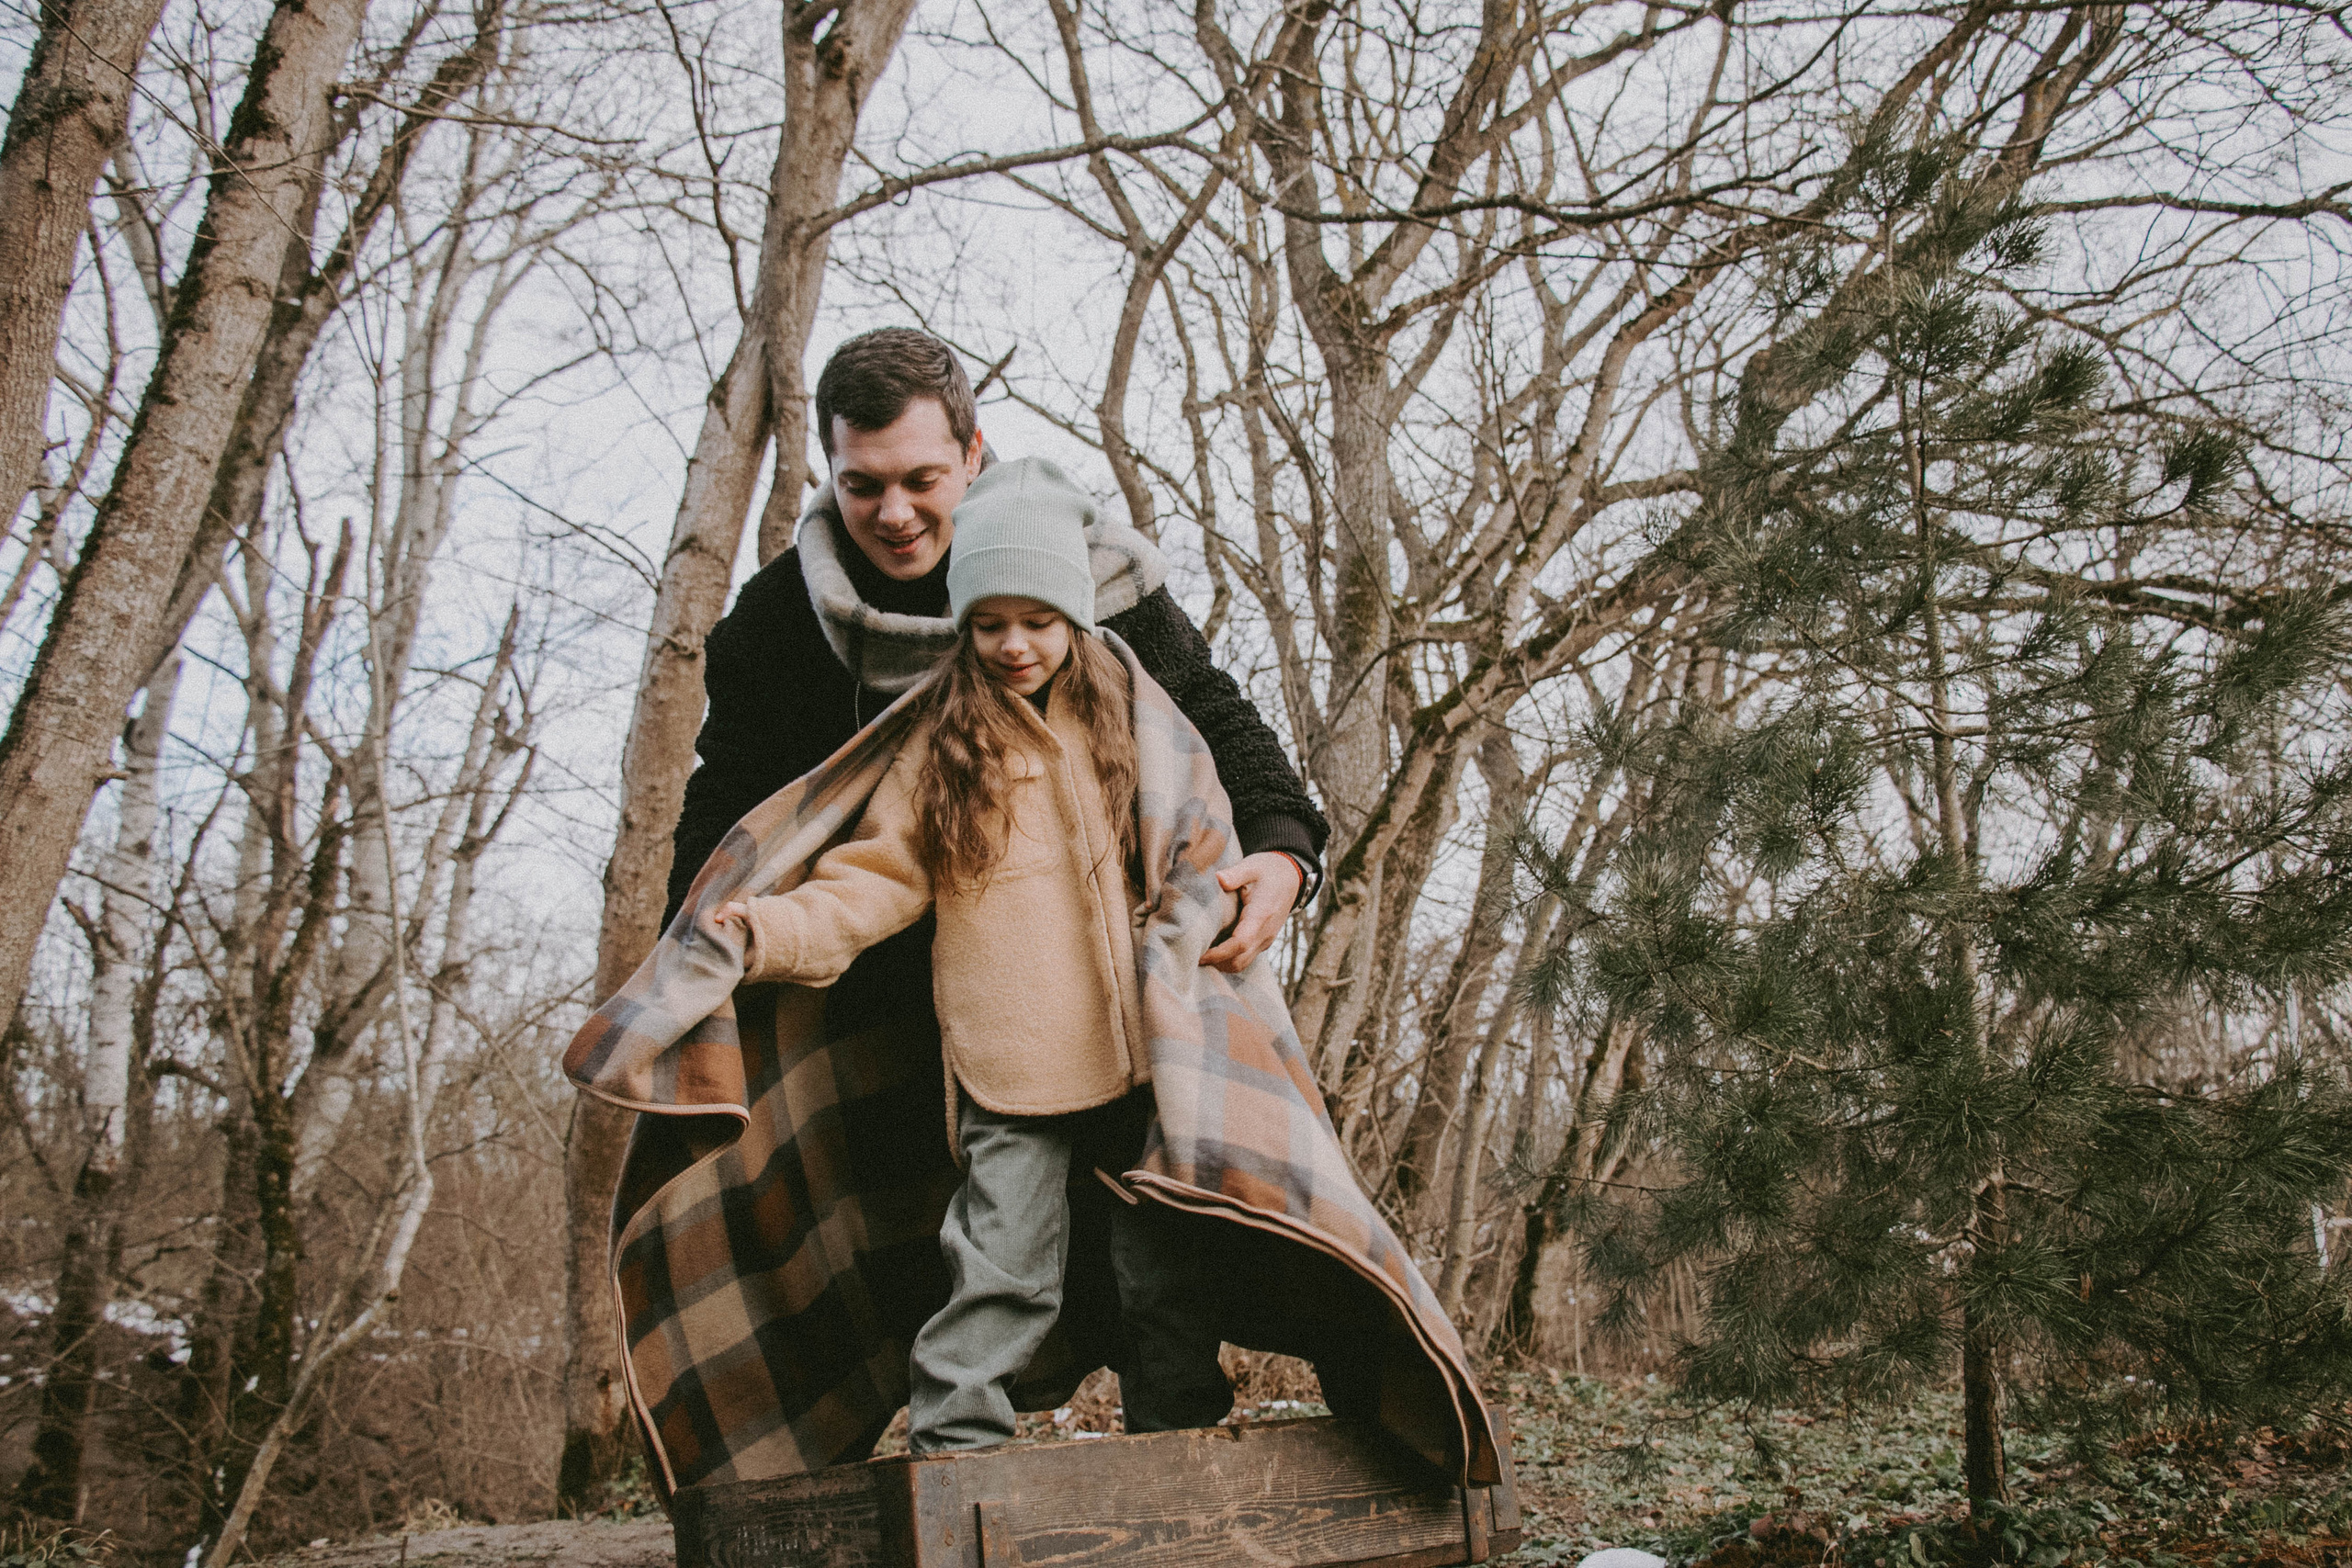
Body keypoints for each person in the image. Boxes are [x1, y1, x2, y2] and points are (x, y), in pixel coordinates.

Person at [710, 457, 1232, 1451]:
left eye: (1036, 620)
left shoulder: (1127, 712)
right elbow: (874, 879)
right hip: (1009, 1065)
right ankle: (954, 1460)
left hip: (1144, 1057)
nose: (1012, 645)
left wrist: (1194, 934)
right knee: (997, 1269)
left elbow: (1200, 834)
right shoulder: (939, 739)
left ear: (1074, 617)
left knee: (1163, 1275)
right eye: (987, 623)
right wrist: (767, 930)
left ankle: (1183, 1454)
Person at [663, 328, 1328, 995]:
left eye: (922, 480)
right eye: (861, 485)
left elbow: (1204, 701)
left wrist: (1284, 846)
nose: (894, 514)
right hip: (857, 998)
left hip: (1084, 989)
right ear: (831, 469)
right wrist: (685, 949)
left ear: (972, 454)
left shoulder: (1072, 567)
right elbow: (729, 792)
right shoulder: (775, 619)